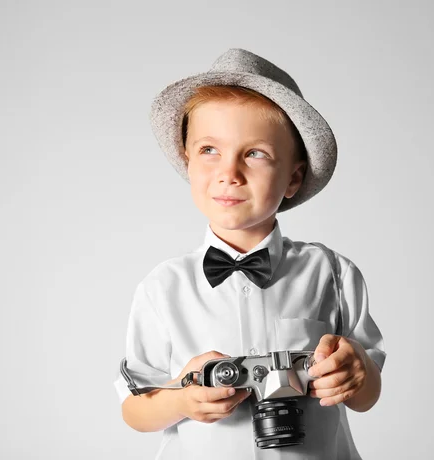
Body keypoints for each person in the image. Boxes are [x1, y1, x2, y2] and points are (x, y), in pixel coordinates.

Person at [113, 48, 386, 460]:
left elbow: (367, 394)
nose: (229, 172)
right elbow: (135, 408)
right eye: (209, 150)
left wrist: (354, 373)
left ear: (293, 177)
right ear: (187, 161)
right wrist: (182, 400)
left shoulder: (331, 272)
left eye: (255, 153)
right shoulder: (162, 287)